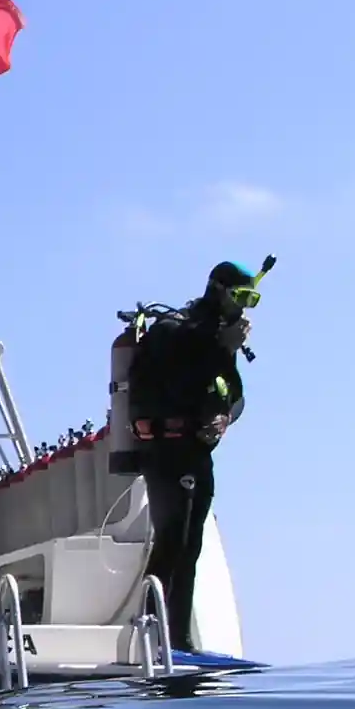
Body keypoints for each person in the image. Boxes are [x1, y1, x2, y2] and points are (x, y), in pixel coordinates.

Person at [125, 257, 263, 651]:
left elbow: (231, 394)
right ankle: (147, 636)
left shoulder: (217, 341)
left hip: (197, 451)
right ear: (217, 290)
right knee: (172, 538)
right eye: (239, 296)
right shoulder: (175, 331)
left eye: (250, 299)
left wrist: (223, 419)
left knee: (191, 547)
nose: (242, 306)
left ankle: (179, 639)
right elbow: (178, 386)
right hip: (165, 448)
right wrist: (220, 348)